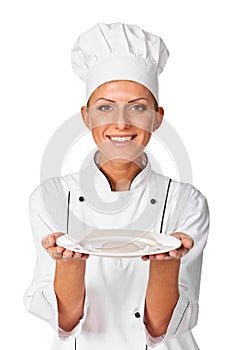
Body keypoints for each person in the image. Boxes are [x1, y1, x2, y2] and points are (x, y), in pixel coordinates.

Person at [24, 23, 209, 350]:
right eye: (105, 107)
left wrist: (167, 263)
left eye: (138, 107)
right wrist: (69, 263)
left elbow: (162, 325)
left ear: (157, 117)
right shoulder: (52, 198)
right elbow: (66, 323)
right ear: (86, 116)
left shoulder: (186, 202)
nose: (121, 123)